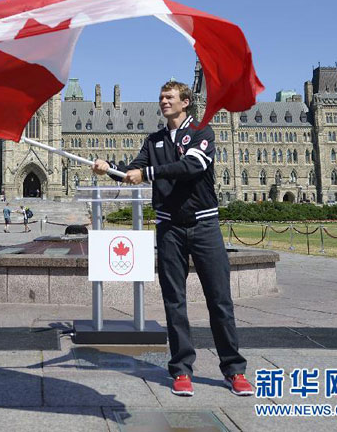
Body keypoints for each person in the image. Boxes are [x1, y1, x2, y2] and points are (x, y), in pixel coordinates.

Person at [93, 80, 253, 398]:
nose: (163, 101)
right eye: (161, 97)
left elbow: (192, 165)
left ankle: (234, 370)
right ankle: (181, 369)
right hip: (169, 229)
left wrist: (147, 174)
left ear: (185, 101)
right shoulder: (154, 141)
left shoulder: (202, 132)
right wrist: (109, 168)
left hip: (204, 226)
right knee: (174, 302)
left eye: (169, 97)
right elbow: (133, 171)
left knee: (219, 300)